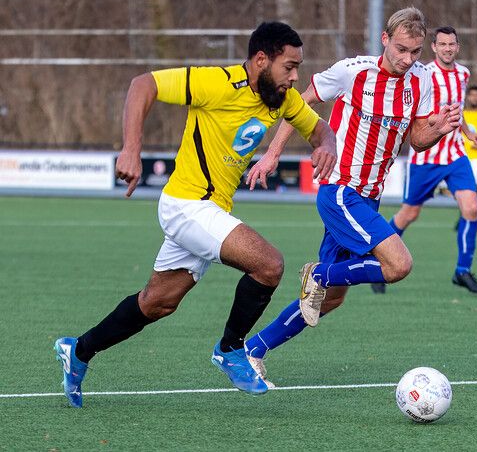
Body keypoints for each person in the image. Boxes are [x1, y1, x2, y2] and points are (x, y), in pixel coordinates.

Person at [53, 22, 337, 407]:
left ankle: (79, 351)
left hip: (209, 213)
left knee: (157, 303)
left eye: (297, 67)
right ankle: (231, 349)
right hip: (186, 205)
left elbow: (320, 129)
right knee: (269, 264)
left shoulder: (282, 100)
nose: (295, 76)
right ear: (260, 60)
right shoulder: (216, 83)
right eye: (288, 66)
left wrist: (327, 145)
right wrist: (131, 149)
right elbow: (143, 85)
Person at [241, 7, 461, 388]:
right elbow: (300, 104)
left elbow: (417, 138)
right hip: (341, 190)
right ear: (385, 40)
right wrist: (273, 152)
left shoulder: (422, 80)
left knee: (330, 298)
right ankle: (319, 272)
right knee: (398, 265)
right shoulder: (352, 71)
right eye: (402, 50)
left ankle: (255, 350)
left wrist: (438, 130)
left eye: (416, 52)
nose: (408, 60)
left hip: (369, 197)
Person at [372, 26, 477, 295]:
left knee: (471, 207)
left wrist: (468, 133)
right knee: (409, 213)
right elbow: (413, 110)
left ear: (457, 47)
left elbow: (457, 108)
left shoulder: (463, 73)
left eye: (452, 44)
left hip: (455, 154)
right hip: (426, 157)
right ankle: (378, 261)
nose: (448, 48)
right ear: (434, 47)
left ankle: (463, 271)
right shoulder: (422, 73)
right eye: (442, 44)